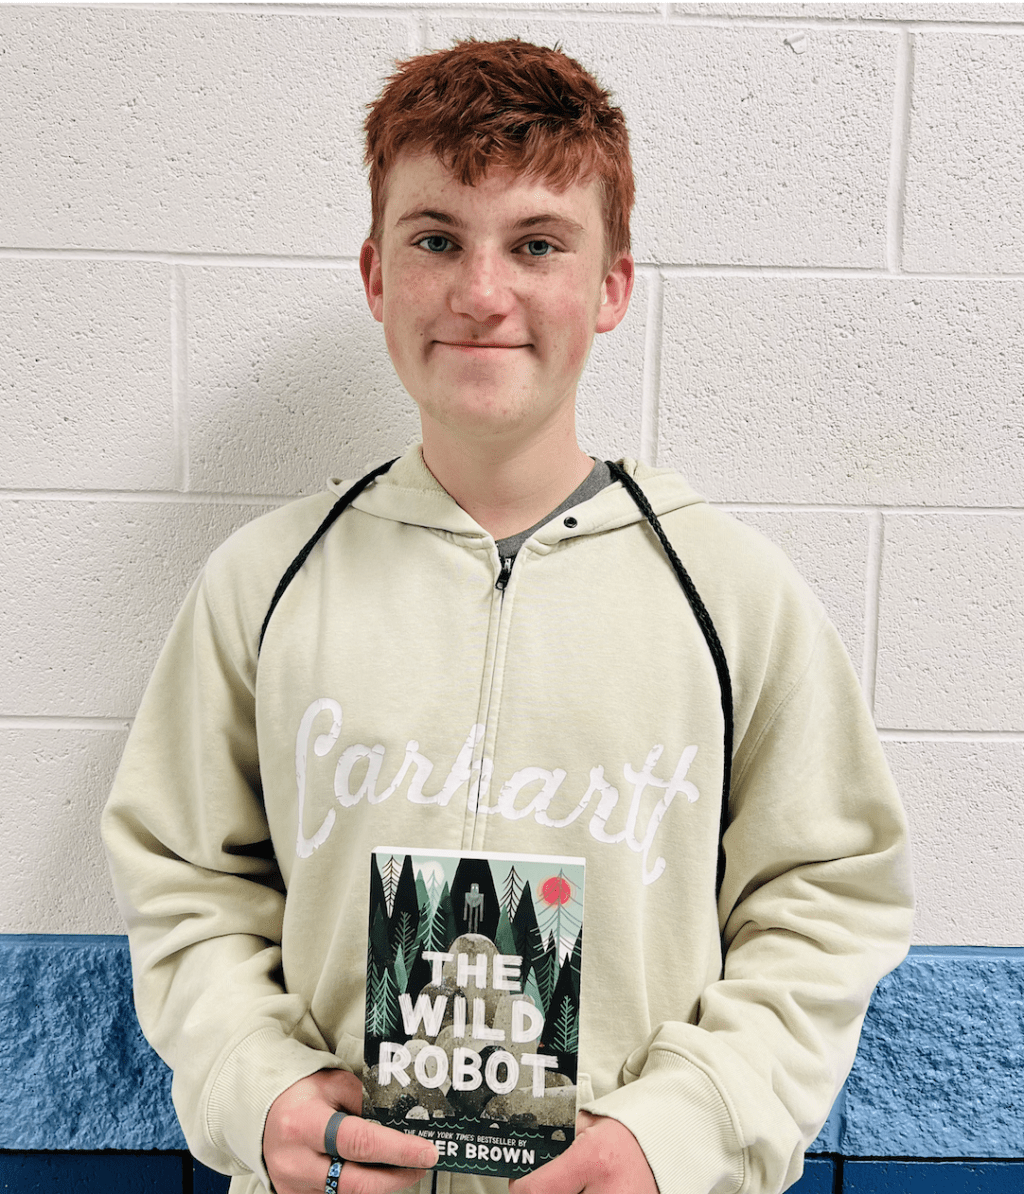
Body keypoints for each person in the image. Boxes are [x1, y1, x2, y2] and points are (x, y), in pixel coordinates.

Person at [102, 37, 913, 1194]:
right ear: (379, 275)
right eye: (437, 240)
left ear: (611, 285)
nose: (482, 293)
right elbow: (186, 881)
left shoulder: (733, 596)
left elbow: (824, 897)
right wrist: (253, 1082)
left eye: (537, 244)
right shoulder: (262, 582)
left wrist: (677, 1131)